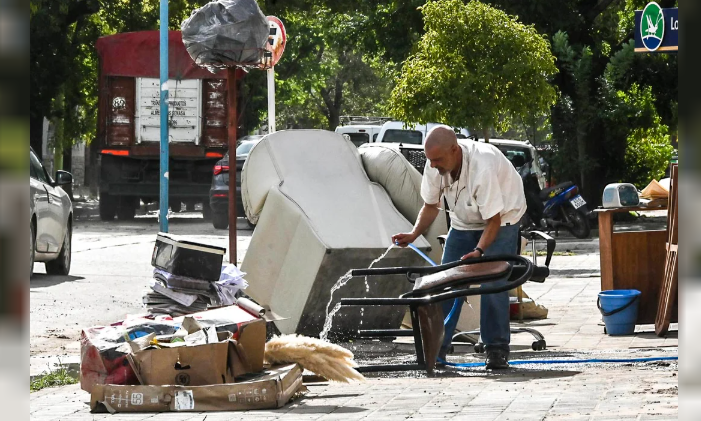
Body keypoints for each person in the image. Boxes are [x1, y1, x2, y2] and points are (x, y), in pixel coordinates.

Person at [391, 126, 526, 369]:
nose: (433, 165)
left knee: (493, 281)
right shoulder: (435, 164)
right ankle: (436, 350)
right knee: (444, 282)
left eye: (438, 159)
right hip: (463, 221)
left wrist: (480, 252)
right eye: (430, 159)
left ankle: (496, 349)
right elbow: (431, 206)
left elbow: (493, 220)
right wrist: (413, 234)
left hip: (503, 217)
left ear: (455, 150)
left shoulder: (481, 166)